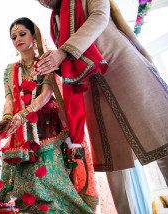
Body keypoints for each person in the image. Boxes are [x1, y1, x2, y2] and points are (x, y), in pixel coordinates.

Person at [35, 0, 168, 212]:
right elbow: (66, 60)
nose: (41, 1)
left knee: (161, 139)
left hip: (121, 65)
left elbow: (99, 17)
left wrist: (62, 53)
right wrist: (53, 61)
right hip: (90, 84)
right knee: (112, 160)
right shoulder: (56, 21)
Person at [0, 17, 93, 213]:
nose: (17, 39)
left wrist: (24, 114)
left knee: (50, 181)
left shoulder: (47, 61)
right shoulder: (9, 70)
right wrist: (7, 118)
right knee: (25, 186)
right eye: (13, 37)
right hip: (19, 131)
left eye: (22, 34)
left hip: (47, 127)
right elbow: (9, 100)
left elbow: (47, 94)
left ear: (34, 35)